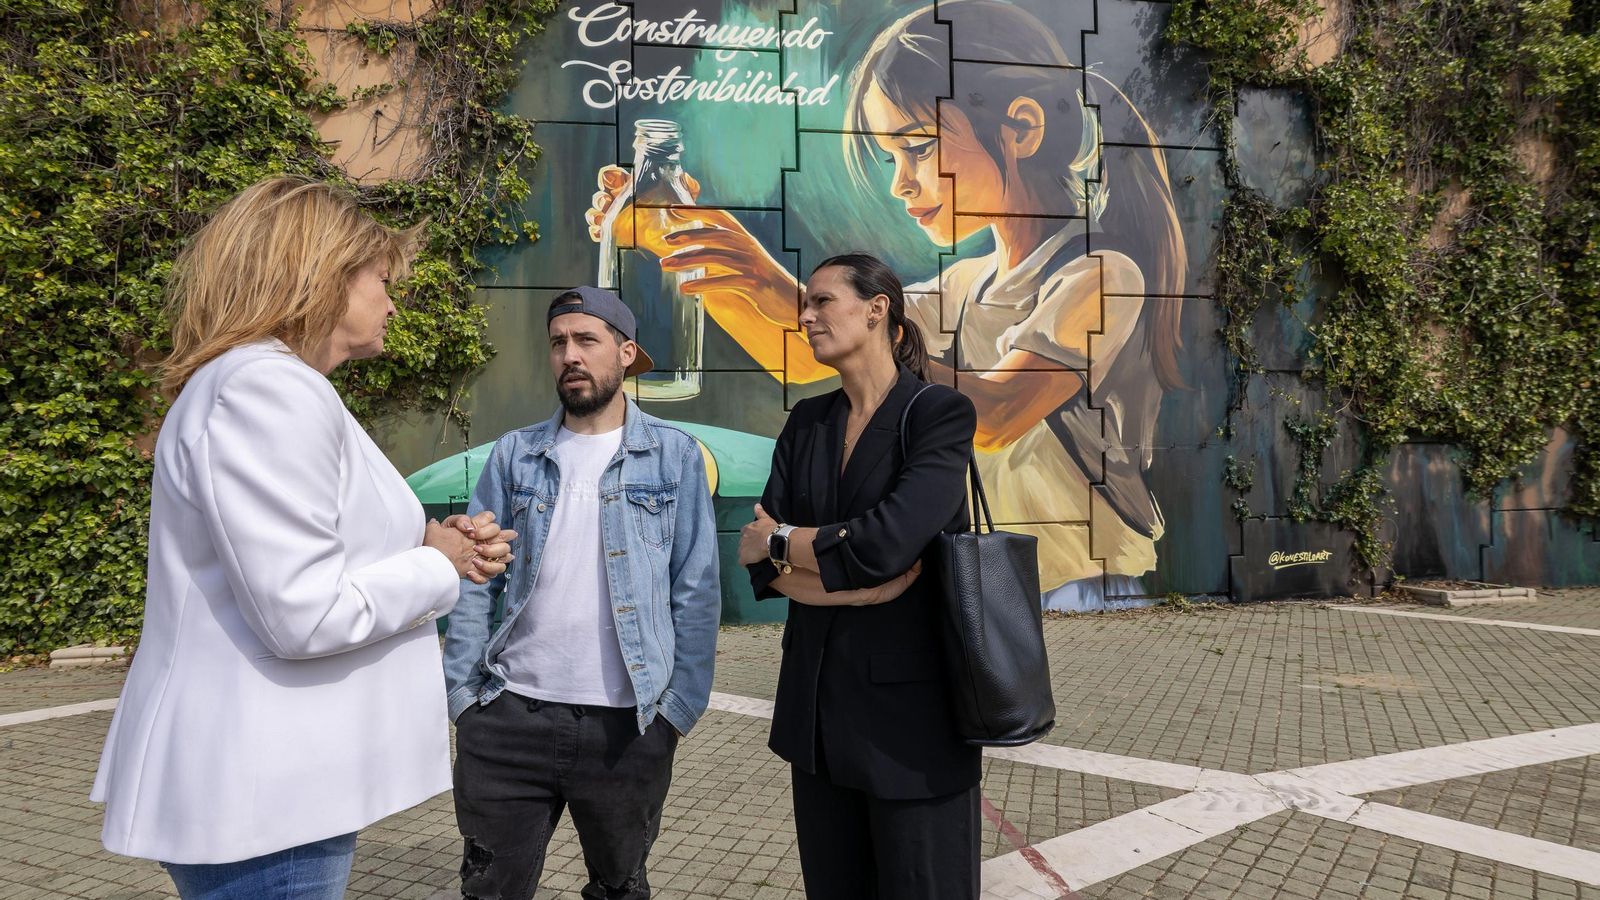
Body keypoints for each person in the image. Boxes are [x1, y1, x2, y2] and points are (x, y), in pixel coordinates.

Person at [587, 0, 1187, 612]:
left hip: (1082, 594)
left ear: (1023, 130)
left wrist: (784, 289)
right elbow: (809, 358)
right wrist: (696, 254)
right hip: (981, 582)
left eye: (919, 148)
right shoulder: (962, 283)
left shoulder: (1102, 275)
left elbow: (1002, 413)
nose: (900, 181)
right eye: (891, 156)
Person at [91, 174, 515, 899]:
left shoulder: (262, 384)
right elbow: (304, 612)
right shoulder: (268, 390)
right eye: (381, 279)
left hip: (268, 788)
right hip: (268, 795)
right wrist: (436, 565)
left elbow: (314, 551)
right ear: (322, 277)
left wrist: (439, 542)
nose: (391, 301)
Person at [442, 285, 721, 900]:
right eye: (558, 343)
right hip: (508, 716)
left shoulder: (673, 458)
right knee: (490, 891)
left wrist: (677, 712)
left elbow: (695, 590)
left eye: (586, 340)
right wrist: (463, 693)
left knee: (619, 888)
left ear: (625, 353)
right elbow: (473, 579)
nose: (570, 354)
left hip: (628, 726)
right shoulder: (514, 456)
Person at [737, 253, 981, 899]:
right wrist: (855, 578)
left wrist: (789, 543)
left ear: (878, 310)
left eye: (822, 301)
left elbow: (889, 540)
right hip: (814, 718)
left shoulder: (938, 414)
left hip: (913, 726)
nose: (807, 316)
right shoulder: (806, 422)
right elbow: (762, 566)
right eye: (805, 305)